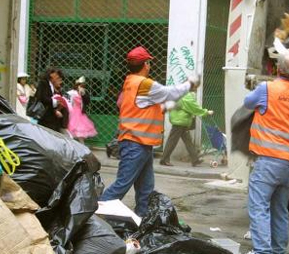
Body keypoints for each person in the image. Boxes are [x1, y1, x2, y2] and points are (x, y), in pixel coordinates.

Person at [100, 46, 198, 217]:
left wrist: (165, 106)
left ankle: (142, 222)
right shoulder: (144, 84)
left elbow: (138, 106)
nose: (150, 65)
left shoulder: (129, 82)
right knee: (122, 185)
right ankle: (92, 216)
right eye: (148, 62)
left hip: (140, 144)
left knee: (145, 189)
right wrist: (189, 84)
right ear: (145, 64)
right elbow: (171, 93)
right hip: (135, 144)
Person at [243, 52, 289, 254]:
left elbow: (247, 103)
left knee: (258, 207)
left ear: (276, 69)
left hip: (269, 159)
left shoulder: (267, 89)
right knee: (280, 210)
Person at [159, 92, 213, 167]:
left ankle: (195, 159)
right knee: (172, 141)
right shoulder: (187, 96)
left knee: (188, 140)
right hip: (180, 121)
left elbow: (187, 107)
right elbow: (195, 108)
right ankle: (164, 159)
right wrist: (206, 112)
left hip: (180, 121)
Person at [34, 67, 69, 134]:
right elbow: (41, 97)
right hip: (44, 116)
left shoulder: (55, 86)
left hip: (54, 118)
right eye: (56, 75)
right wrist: (55, 102)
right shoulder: (44, 83)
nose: (57, 77)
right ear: (50, 74)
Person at [67, 76, 98, 143]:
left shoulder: (84, 92)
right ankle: (71, 145)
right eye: (81, 85)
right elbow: (67, 100)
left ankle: (82, 146)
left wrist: (83, 94)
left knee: (81, 131)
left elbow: (87, 101)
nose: (82, 87)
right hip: (72, 112)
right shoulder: (72, 92)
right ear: (77, 85)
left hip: (80, 113)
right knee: (71, 130)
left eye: (83, 85)